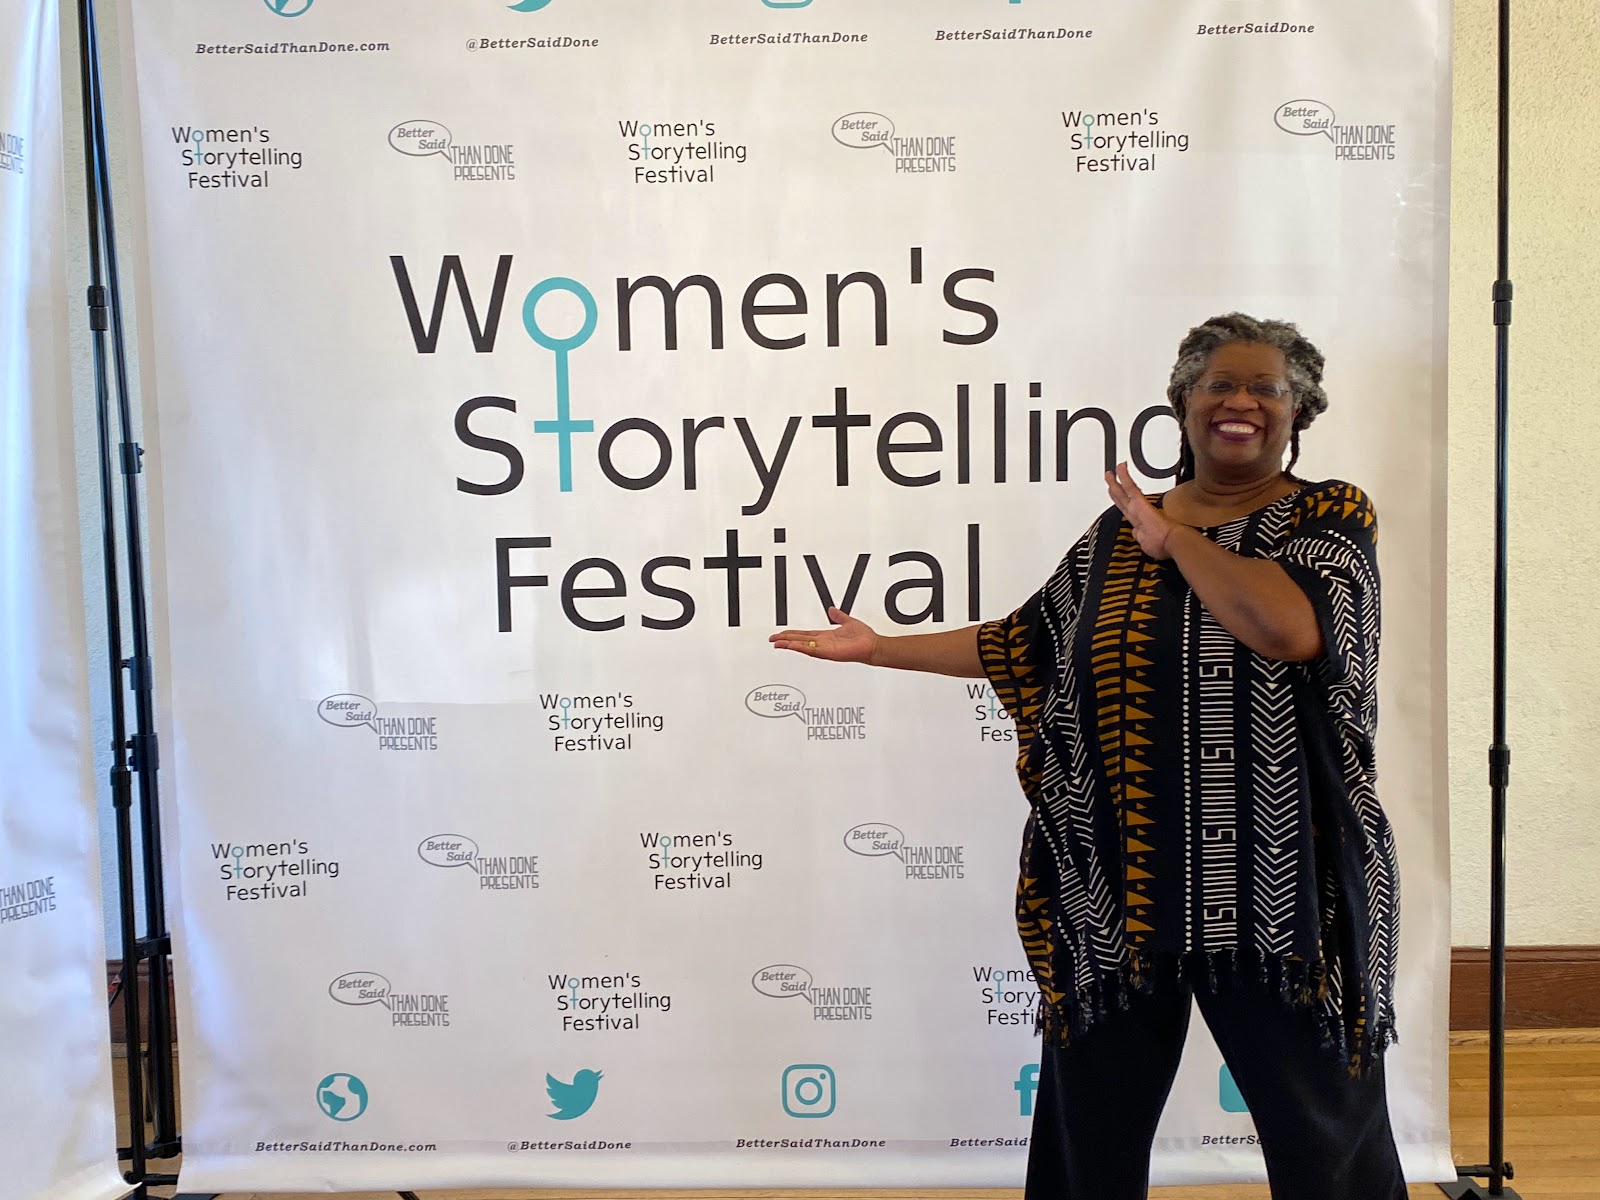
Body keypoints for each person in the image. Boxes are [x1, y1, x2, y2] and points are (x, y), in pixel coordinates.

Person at [770, 313, 1405, 1199]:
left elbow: (1290, 628)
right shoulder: (1115, 534)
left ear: (1299, 410)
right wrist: (879, 648)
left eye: (1266, 387)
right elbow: (1021, 643)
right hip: (1116, 881)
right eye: (1219, 383)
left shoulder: (1325, 512)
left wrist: (1176, 541)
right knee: (1090, 1134)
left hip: (1279, 886)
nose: (1241, 401)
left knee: (1324, 1132)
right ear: (1183, 402)